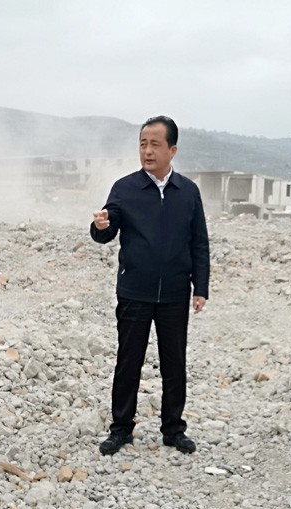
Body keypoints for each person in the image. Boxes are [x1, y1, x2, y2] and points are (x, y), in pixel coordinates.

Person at [91, 115, 210, 456]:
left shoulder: (188, 192)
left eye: (155, 144)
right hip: (134, 291)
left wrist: (200, 287)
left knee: (175, 364)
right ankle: (120, 429)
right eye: (143, 144)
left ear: (172, 150)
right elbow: (106, 230)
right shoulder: (125, 188)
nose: (147, 151)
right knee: (128, 362)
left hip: (174, 293)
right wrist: (100, 226)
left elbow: (199, 242)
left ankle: (173, 430)